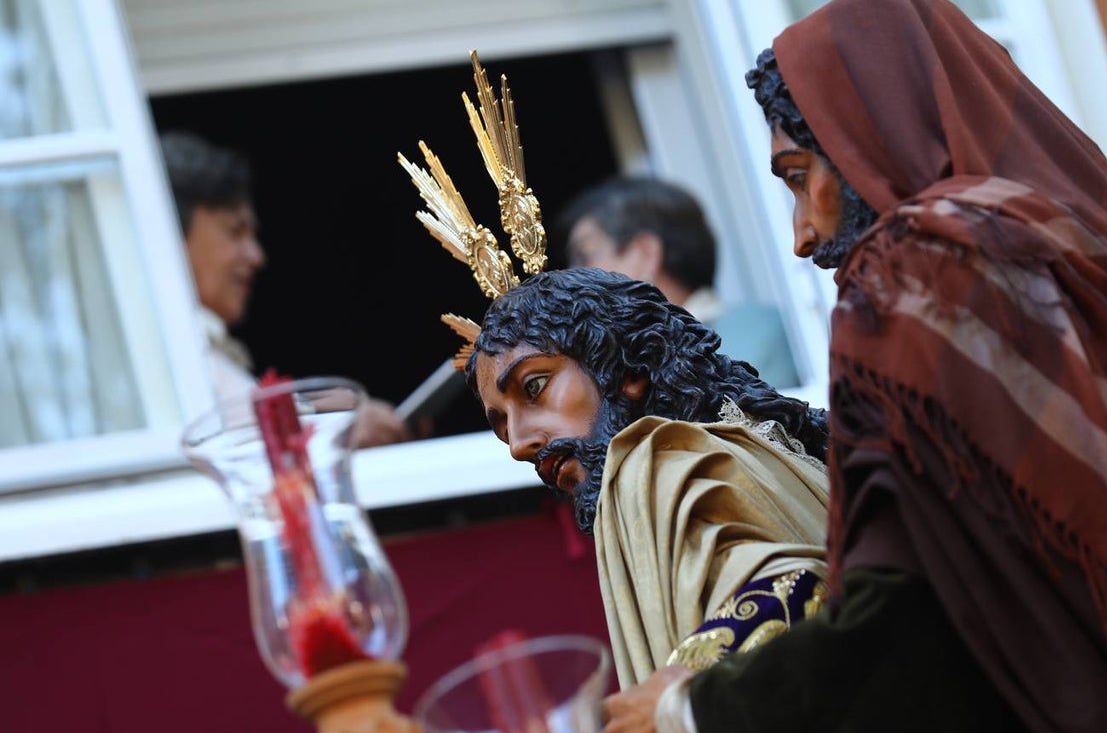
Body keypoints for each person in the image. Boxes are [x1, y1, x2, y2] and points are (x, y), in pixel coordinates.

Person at [601, 0, 1107, 733]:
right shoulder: (1080, 241)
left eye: (800, 177)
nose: (799, 235)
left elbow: (912, 609)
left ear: (864, 142)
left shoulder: (910, 274)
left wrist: (690, 715)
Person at [466, 266, 830, 688]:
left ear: (629, 370)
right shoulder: (758, 448)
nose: (518, 445)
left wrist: (672, 705)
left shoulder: (653, 462)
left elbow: (803, 592)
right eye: (504, 428)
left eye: (535, 387)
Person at [160, 130, 415, 448]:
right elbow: (242, 456)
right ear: (169, 233)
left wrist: (339, 410)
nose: (256, 256)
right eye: (234, 231)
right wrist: (341, 435)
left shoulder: (197, 352)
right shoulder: (162, 360)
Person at [558, 175, 800, 388]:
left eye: (584, 255)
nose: (572, 275)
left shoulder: (762, 332)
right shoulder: (615, 366)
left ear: (646, 253)